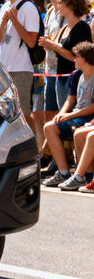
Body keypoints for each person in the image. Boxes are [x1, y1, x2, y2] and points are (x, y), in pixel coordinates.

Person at [42, 42, 94, 188]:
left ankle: (83, 175)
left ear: (86, 59)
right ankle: (63, 172)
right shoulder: (77, 75)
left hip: (86, 117)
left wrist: (70, 116)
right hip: (76, 115)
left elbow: (92, 107)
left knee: (79, 133)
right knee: (50, 126)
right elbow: (70, 100)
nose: (74, 59)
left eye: (77, 57)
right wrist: (62, 114)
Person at [34, 0, 71, 158]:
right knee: (49, 114)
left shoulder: (69, 10)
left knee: (63, 116)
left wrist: (51, 44)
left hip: (64, 70)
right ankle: (55, 157)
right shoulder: (49, 10)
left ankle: (65, 157)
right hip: (49, 69)